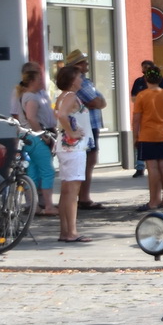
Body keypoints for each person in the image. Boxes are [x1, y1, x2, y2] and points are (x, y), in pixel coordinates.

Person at [63, 50, 108, 209]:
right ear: (77, 66)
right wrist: (99, 101)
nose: (87, 64)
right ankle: (83, 197)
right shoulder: (80, 83)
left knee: (89, 161)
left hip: (89, 125)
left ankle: (82, 196)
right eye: (84, 62)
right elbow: (97, 102)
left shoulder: (83, 82)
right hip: (87, 126)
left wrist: (99, 101)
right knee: (88, 161)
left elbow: (99, 101)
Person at [52, 63, 91, 243]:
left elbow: (59, 114)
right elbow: (62, 115)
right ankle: (71, 231)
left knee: (66, 190)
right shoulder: (71, 96)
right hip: (73, 147)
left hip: (65, 147)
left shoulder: (62, 96)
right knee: (72, 191)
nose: (81, 78)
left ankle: (65, 231)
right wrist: (72, 132)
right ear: (72, 80)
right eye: (78, 76)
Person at [132, 66, 163, 210]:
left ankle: (153, 201)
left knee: (152, 167)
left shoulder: (142, 95)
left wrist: (135, 136)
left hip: (147, 135)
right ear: (160, 79)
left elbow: (137, 118)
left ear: (145, 79)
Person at [17, 65, 57, 217]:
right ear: (32, 81)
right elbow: (31, 117)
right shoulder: (32, 97)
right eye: (39, 79)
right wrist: (43, 135)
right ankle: (48, 205)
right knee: (47, 171)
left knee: (32, 172)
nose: (42, 81)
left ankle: (34, 206)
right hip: (35, 137)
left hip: (27, 137)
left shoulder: (26, 95)